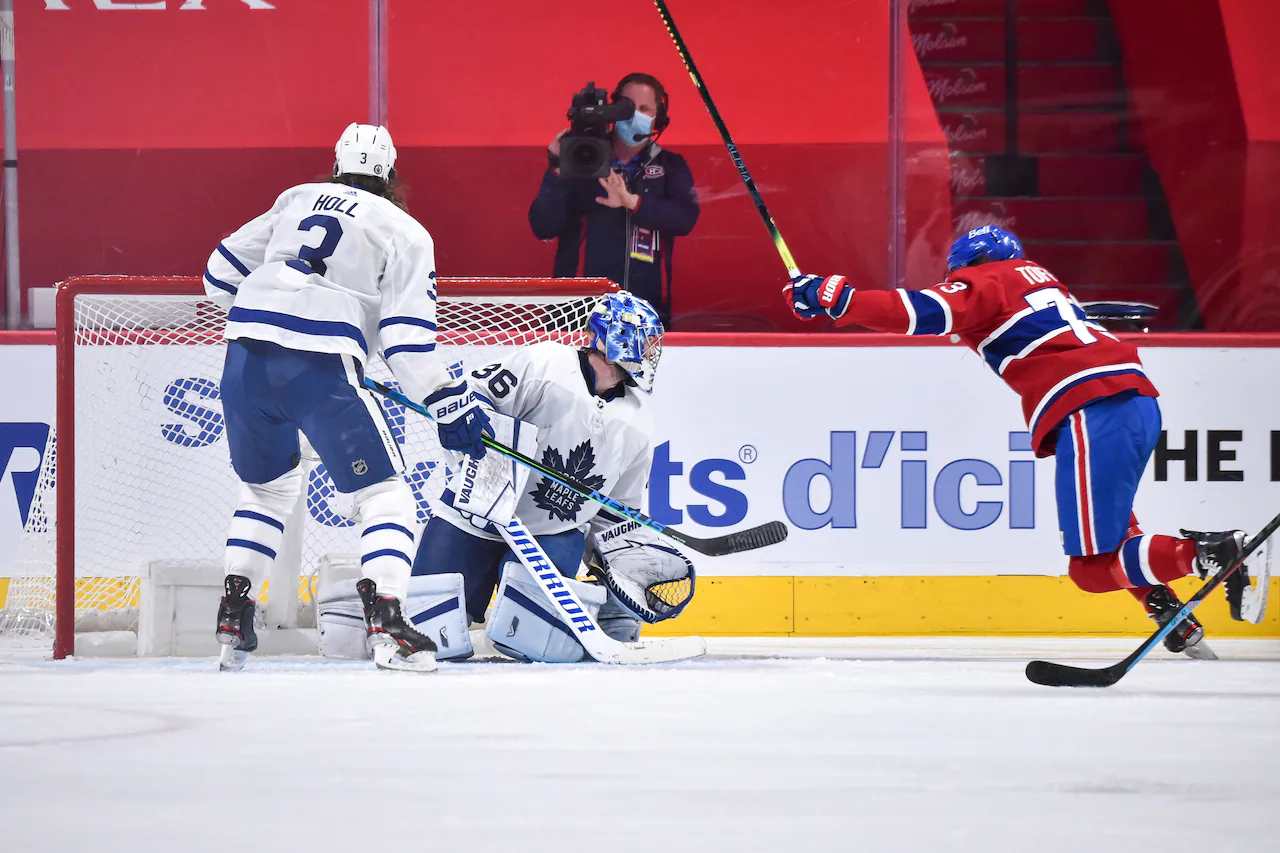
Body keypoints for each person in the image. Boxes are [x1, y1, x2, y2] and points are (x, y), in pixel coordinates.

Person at [785, 225, 1252, 658]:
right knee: (1111, 531)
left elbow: (921, 312)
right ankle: (1163, 605)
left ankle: (1209, 554)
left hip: (1092, 407)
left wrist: (837, 298)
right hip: (1130, 400)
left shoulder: (988, 281)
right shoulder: (1045, 284)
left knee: (1090, 570)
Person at [202, 122, 492, 673]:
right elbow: (407, 342)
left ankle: (232, 618)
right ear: (391, 174)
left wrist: (281, 320)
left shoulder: (295, 199)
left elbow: (218, 275)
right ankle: (389, 627)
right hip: (319, 367)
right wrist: (448, 399)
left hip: (244, 358)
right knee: (387, 496)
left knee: (266, 491)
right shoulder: (406, 230)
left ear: (335, 163)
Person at [313, 292, 696, 664]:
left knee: (534, 641)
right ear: (614, 338)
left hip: (552, 535)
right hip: (473, 517)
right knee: (432, 640)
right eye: (644, 342)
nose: (649, 354)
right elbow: (475, 392)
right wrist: (469, 418)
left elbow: (618, 511)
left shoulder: (639, 423)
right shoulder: (545, 363)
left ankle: (608, 617)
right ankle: (356, 606)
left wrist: (612, 566)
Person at [529, 73, 700, 328]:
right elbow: (543, 226)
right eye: (628, 107)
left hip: (644, 310)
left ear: (658, 117)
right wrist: (559, 170)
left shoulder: (670, 165)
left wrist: (632, 202)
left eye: (644, 109)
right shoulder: (581, 158)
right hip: (576, 312)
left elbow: (685, 218)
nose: (634, 115)